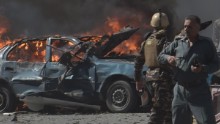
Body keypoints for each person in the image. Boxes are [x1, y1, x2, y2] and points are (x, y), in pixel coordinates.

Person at [158, 15, 219, 124]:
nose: (186, 29)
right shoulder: (178, 42)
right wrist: (168, 58)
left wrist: (202, 68)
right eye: (185, 26)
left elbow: (216, 64)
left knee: (207, 121)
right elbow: (161, 56)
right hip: (180, 91)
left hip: (199, 91)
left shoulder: (206, 44)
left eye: (189, 27)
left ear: (198, 27)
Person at [134, 11, 173, 124]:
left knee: (167, 110)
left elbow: (138, 61)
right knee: (159, 110)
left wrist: (137, 80)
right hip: (162, 78)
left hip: (150, 77)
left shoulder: (147, 40)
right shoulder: (165, 40)